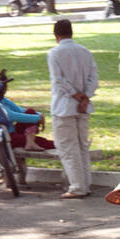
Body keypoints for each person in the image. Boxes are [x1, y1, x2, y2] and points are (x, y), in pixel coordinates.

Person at [47, 18, 98, 199]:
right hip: (83, 106)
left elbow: (58, 80)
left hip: (64, 106)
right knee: (82, 146)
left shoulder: (54, 53)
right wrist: (85, 96)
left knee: (68, 147)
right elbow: (94, 78)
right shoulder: (85, 52)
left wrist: (75, 94)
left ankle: (77, 186)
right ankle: (85, 183)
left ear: (56, 35)